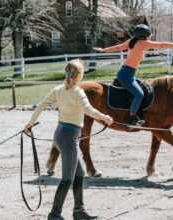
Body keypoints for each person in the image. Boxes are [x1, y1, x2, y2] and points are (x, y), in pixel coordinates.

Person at [24, 59, 113, 220]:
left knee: (79, 173)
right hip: (69, 137)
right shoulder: (77, 92)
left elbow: (41, 105)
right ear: (79, 75)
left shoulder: (58, 90)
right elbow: (89, 110)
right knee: (67, 178)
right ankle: (54, 214)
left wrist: (29, 124)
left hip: (60, 134)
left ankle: (79, 211)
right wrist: (105, 117)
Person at [93, 24, 173, 126]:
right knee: (139, 94)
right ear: (144, 35)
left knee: (143, 88)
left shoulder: (131, 41)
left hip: (127, 73)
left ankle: (138, 113)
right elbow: (161, 44)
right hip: (126, 75)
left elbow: (119, 47)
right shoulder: (143, 43)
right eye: (148, 35)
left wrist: (104, 50)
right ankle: (131, 117)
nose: (149, 37)